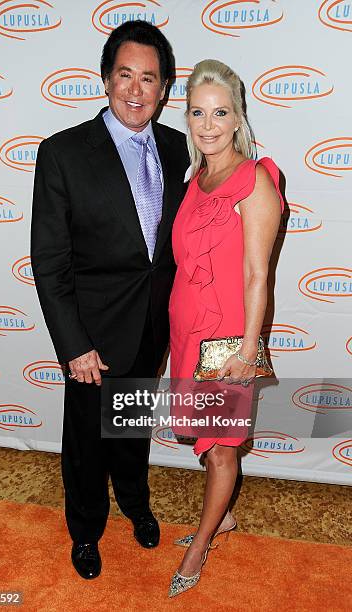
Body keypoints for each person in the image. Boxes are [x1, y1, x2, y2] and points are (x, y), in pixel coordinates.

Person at [31, 21, 189, 580]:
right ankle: (85, 530)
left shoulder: (177, 147)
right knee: (87, 443)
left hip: (152, 327)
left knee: (133, 431)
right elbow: (50, 263)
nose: (136, 89)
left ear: (165, 88)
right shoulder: (63, 154)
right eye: (126, 75)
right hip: (92, 338)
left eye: (150, 78)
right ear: (105, 79)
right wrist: (73, 345)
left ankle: (135, 503)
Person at [168, 59, 284, 597]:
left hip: (226, 340)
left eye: (220, 112)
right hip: (188, 332)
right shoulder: (197, 177)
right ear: (187, 116)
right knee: (205, 441)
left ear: (238, 117)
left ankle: (200, 546)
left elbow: (259, 272)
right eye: (198, 112)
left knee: (221, 449)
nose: (208, 124)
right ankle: (226, 519)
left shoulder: (253, 178)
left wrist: (246, 349)